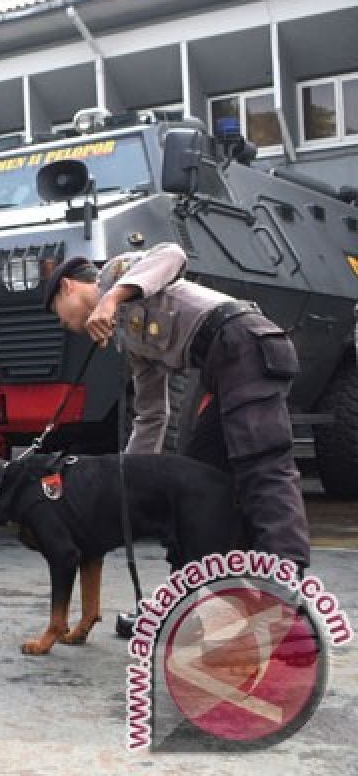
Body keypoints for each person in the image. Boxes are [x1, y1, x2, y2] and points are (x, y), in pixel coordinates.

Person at [42, 243, 310, 570]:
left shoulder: (116, 275)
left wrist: (111, 299)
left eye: (58, 312)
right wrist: (125, 480)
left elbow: (172, 254)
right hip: (223, 364)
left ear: (68, 287)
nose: (64, 324)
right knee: (197, 481)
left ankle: (286, 577)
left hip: (245, 343)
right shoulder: (129, 341)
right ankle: (185, 594)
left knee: (260, 462)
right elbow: (152, 415)